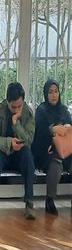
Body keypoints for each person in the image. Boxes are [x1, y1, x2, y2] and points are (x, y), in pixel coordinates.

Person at [0, 82, 36, 221]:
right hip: (2, 154)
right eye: (13, 107)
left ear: (23, 101)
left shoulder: (28, 113)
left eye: (20, 106)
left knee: (28, 156)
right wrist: (9, 143)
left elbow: (28, 140)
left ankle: (29, 203)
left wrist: (16, 123)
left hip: (19, 155)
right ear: (7, 101)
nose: (16, 110)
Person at [31, 79, 72, 216]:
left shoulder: (64, 110)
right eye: (50, 92)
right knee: (55, 164)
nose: (54, 95)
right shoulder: (41, 111)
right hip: (47, 151)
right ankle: (50, 200)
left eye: (56, 91)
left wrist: (68, 127)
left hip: (66, 150)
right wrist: (52, 129)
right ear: (45, 94)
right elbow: (38, 134)